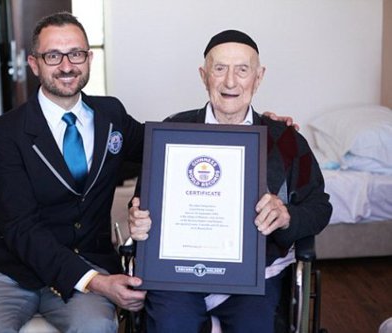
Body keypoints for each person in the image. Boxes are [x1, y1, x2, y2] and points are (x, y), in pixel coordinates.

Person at [128, 29, 332, 333]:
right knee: (171, 324)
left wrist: (288, 216)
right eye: (219, 69)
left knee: (257, 325)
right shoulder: (172, 131)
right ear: (204, 75)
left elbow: (320, 206)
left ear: (259, 77)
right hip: (179, 277)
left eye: (242, 70)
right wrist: (138, 219)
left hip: (256, 277)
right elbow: (142, 203)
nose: (230, 82)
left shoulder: (286, 140)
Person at [0, 12, 147, 333]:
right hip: (12, 267)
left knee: (97, 327)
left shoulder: (111, 113)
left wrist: (258, 127)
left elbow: (164, 146)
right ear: (34, 64)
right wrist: (98, 283)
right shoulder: (7, 132)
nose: (67, 66)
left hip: (88, 256)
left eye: (76, 54)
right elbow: (19, 226)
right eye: (53, 56)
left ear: (88, 58)